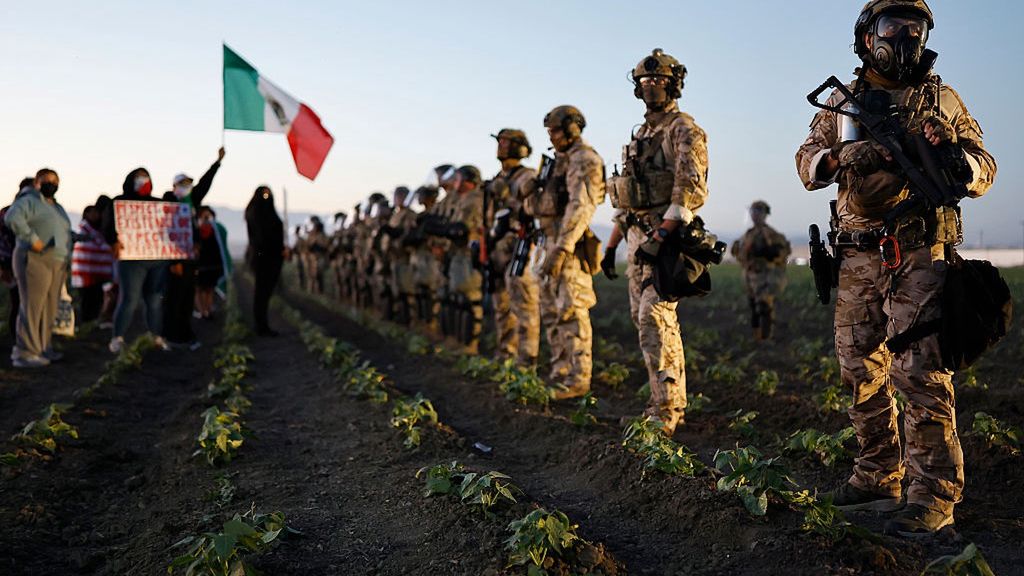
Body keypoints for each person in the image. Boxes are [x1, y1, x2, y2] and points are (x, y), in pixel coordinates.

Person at [795, 0, 996, 536]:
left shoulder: (940, 98)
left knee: (919, 372)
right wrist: (840, 158)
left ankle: (933, 496)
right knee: (859, 369)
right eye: (893, 28)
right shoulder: (842, 101)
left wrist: (954, 154)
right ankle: (876, 475)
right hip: (857, 254)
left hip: (918, 252)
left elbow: (985, 167)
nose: (905, 38)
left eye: (916, 29)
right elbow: (806, 164)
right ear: (867, 38)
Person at [600, 49, 707, 434]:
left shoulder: (683, 129)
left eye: (658, 81)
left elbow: (690, 190)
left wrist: (661, 234)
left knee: (656, 317)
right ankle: (658, 403)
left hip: (666, 240)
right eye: (644, 82)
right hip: (635, 238)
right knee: (642, 321)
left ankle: (668, 412)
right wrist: (611, 245)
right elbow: (629, 197)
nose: (651, 88)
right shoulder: (642, 134)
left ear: (673, 83)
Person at [533, 106, 605, 399]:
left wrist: (562, 247)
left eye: (556, 131)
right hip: (547, 243)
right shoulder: (558, 163)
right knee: (551, 312)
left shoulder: (584, 159)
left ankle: (578, 379)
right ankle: (560, 372)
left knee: (572, 311)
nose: (552, 137)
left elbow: (582, 205)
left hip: (569, 246)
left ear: (572, 129)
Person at [3, 169, 72, 368]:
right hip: (35, 258)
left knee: (49, 307)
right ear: (37, 182)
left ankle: (42, 346)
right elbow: (12, 218)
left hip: (56, 261)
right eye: (47, 180)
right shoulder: (29, 200)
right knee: (33, 306)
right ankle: (25, 352)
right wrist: (33, 240)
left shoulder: (56, 207)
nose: (52, 183)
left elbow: (63, 231)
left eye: (55, 180)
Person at [101, 167, 172, 353]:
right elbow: (107, 227)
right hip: (131, 259)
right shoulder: (119, 202)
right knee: (129, 299)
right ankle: (117, 337)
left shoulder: (158, 204)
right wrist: (113, 241)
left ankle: (156, 336)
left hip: (157, 259)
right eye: (139, 178)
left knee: (154, 299)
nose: (143, 182)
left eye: (146, 178)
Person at [161, 148, 225, 348]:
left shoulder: (193, 202)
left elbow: (205, 183)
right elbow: (166, 233)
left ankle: (184, 334)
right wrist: (173, 261)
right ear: (173, 186)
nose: (186, 187)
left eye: (188, 183)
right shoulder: (168, 201)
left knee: (187, 298)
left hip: (190, 258)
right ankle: (170, 335)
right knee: (174, 297)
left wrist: (217, 162)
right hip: (175, 260)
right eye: (182, 184)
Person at [487, 129, 541, 365]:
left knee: (523, 303)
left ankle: (526, 359)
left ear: (519, 147)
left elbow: (533, 208)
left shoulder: (528, 177)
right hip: (497, 246)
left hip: (520, 243)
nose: (500, 146)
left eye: (506, 142)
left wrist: (508, 198)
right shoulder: (497, 178)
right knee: (501, 304)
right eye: (499, 142)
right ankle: (505, 352)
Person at [730, 201, 791, 340]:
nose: (754, 215)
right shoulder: (749, 234)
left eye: (757, 212)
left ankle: (765, 336)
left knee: (764, 306)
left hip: (765, 276)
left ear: (764, 214)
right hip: (750, 276)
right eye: (753, 212)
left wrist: (770, 252)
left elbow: (782, 252)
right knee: (753, 306)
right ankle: (757, 336)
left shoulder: (770, 234)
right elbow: (739, 252)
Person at [445, 165, 485, 353]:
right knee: (458, 300)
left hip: (470, 255)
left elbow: (466, 228)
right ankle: (461, 342)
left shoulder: (475, 199)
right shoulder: (463, 200)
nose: (455, 182)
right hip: (459, 254)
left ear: (468, 181)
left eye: (458, 178)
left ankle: (471, 346)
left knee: (470, 301)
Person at [245, 186, 286, 336]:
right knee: (261, 293)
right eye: (264, 194)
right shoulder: (256, 214)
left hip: (272, 257)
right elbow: (261, 238)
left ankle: (262, 324)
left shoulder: (268, 213)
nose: (266, 197)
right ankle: (260, 326)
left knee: (265, 293)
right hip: (263, 258)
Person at [70, 204, 114, 324]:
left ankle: (93, 321)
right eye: (92, 213)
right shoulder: (83, 230)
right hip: (84, 271)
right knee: (86, 299)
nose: (95, 215)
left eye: (96, 213)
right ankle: (85, 322)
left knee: (97, 298)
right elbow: (85, 248)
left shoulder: (100, 231)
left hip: (98, 273)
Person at [0, 178, 32, 337]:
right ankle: (16, 336)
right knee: (17, 301)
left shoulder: (31, 212)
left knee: (23, 302)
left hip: (28, 263)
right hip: (11, 263)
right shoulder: (9, 213)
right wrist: (3, 266)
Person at [194, 206, 228, 320]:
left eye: (209, 216)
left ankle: (208, 310)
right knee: (199, 289)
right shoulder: (195, 230)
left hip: (212, 265)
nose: (207, 218)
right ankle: (202, 311)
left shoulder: (217, 231)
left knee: (209, 289)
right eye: (204, 215)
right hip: (199, 265)